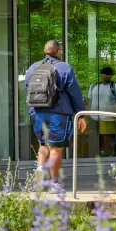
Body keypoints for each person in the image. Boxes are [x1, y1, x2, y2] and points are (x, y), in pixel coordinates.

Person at [25, 40, 86, 194]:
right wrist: (81, 114)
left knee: (43, 145)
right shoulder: (64, 68)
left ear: (44, 51)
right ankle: (55, 184)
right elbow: (75, 93)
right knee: (56, 149)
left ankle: (40, 168)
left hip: (37, 112)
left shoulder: (33, 68)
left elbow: (27, 89)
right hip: (58, 113)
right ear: (59, 52)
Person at [88, 66, 116, 157]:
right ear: (101, 74)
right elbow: (89, 101)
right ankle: (95, 155)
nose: (108, 76)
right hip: (94, 117)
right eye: (106, 74)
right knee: (94, 137)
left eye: (110, 74)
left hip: (109, 118)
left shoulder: (115, 86)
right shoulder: (94, 86)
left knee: (108, 138)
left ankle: (109, 155)